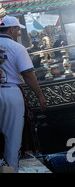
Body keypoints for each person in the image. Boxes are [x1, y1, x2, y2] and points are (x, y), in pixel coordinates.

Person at [0, 16, 47, 172]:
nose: (18, 33)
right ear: (12, 29)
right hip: (11, 93)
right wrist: (40, 96)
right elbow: (27, 75)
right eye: (18, 29)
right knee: (12, 138)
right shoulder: (17, 47)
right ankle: (10, 170)